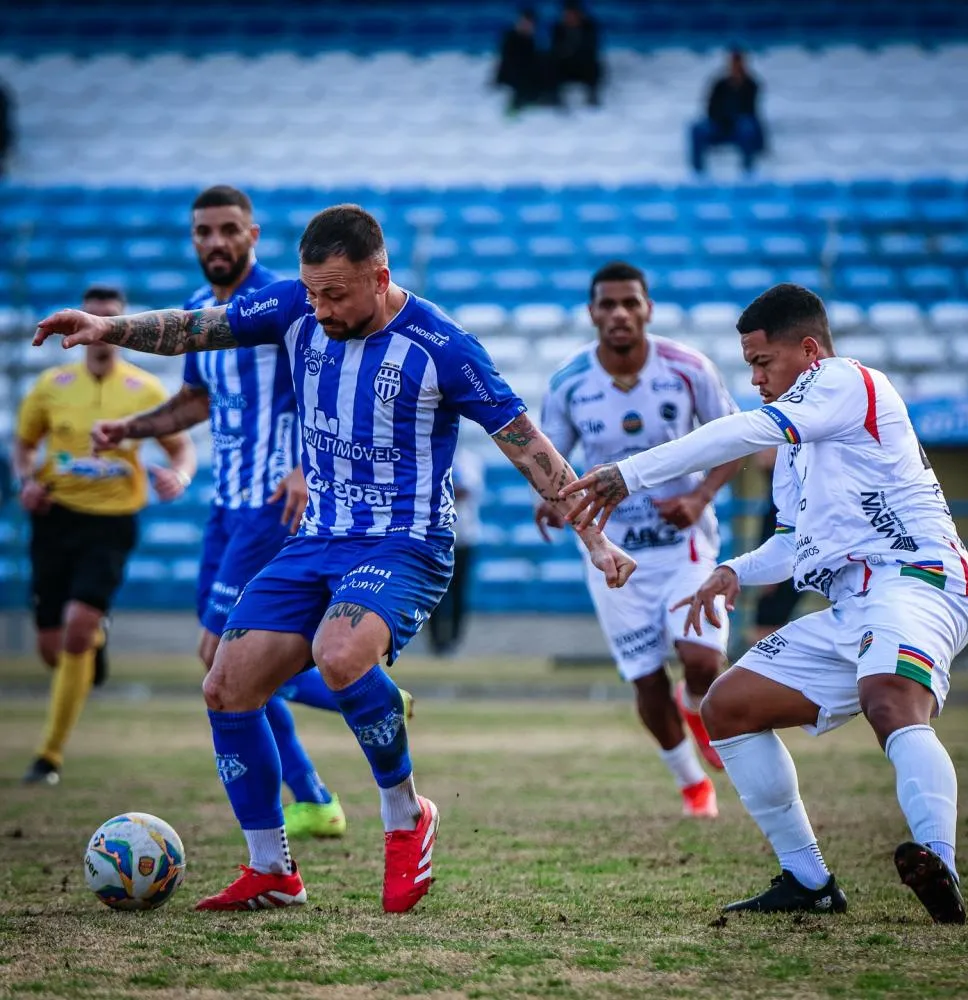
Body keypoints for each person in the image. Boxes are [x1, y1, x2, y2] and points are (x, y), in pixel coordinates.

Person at [35, 203, 636, 914]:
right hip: (315, 539)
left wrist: (593, 537)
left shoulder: (443, 347)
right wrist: (108, 328)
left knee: (341, 651)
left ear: (380, 278)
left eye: (336, 295)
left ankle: (406, 816)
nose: (318, 308)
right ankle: (272, 870)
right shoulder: (296, 305)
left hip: (404, 541)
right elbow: (196, 328)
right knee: (225, 686)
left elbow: (527, 443)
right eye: (312, 292)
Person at [561, 283, 968, 924]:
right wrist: (733, 570)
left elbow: (744, 429)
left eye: (763, 362)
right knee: (727, 707)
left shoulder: (847, 381)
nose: (755, 377)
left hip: (916, 578)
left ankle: (940, 859)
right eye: (750, 364)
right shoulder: (796, 450)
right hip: (849, 604)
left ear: (808, 351)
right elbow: (793, 544)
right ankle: (808, 880)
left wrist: (630, 472)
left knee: (890, 698)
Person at [91, 185, 358, 840]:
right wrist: (131, 427)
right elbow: (194, 403)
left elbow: (332, 388)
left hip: (275, 500)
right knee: (222, 661)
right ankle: (325, 767)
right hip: (225, 504)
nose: (215, 242)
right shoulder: (191, 310)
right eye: (203, 232)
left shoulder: (288, 303)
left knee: (222, 656)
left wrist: (303, 465)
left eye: (228, 230)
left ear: (253, 234)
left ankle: (346, 720)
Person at [538, 261, 740, 818]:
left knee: (701, 659)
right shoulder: (569, 382)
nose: (620, 314)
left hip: (686, 546)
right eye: (608, 304)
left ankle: (698, 705)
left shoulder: (688, 368)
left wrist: (698, 499)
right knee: (646, 678)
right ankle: (692, 784)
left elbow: (738, 440)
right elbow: (548, 462)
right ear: (593, 312)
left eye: (631, 303)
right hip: (614, 556)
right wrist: (552, 502)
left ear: (648, 308)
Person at [15, 285, 196, 786]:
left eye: (111, 322)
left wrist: (177, 476)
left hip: (112, 523)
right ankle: (96, 637)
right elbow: (25, 447)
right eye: (88, 320)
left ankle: (49, 755)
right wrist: (25, 481)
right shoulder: (51, 386)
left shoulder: (143, 391)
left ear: (121, 330)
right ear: (74, 328)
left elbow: (181, 451)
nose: (98, 333)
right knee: (54, 648)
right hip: (55, 520)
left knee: (76, 626)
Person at [428, 445, 483, 656]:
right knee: (433, 593)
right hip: (436, 537)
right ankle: (436, 641)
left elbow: (466, 491)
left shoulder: (470, 460)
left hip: (464, 536)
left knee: (459, 589)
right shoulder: (431, 453)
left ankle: (454, 638)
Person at [751, 448, 803, 644]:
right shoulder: (774, 487)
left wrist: (769, 574)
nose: (759, 454)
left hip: (786, 564)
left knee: (765, 629)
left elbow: (781, 532)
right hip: (781, 563)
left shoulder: (788, 488)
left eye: (767, 449)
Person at [689, 49, 765, 175]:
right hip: (719, 124)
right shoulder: (719, 83)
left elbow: (750, 109)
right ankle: (698, 171)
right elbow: (710, 108)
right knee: (697, 128)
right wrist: (722, 119)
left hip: (739, 127)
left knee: (747, 127)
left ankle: (748, 170)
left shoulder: (751, 84)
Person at [550, 0, 603, 108]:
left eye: (572, 14)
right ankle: (554, 96)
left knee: (596, 65)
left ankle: (592, 95)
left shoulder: (589, 27)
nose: (569, 17)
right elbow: (556, 49)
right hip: (565, 65)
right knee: (550, 63)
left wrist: (571, 49)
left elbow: (591, 48)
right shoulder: (559, 28)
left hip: (583, 66)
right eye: (567, 14)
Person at [496, 7, 546, 114]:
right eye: (525, 22)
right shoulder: (511, 37)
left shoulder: (529, 40)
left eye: (530, 23)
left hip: (522, 75)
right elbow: (508, 63)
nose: (527, 26)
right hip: (510, 76)